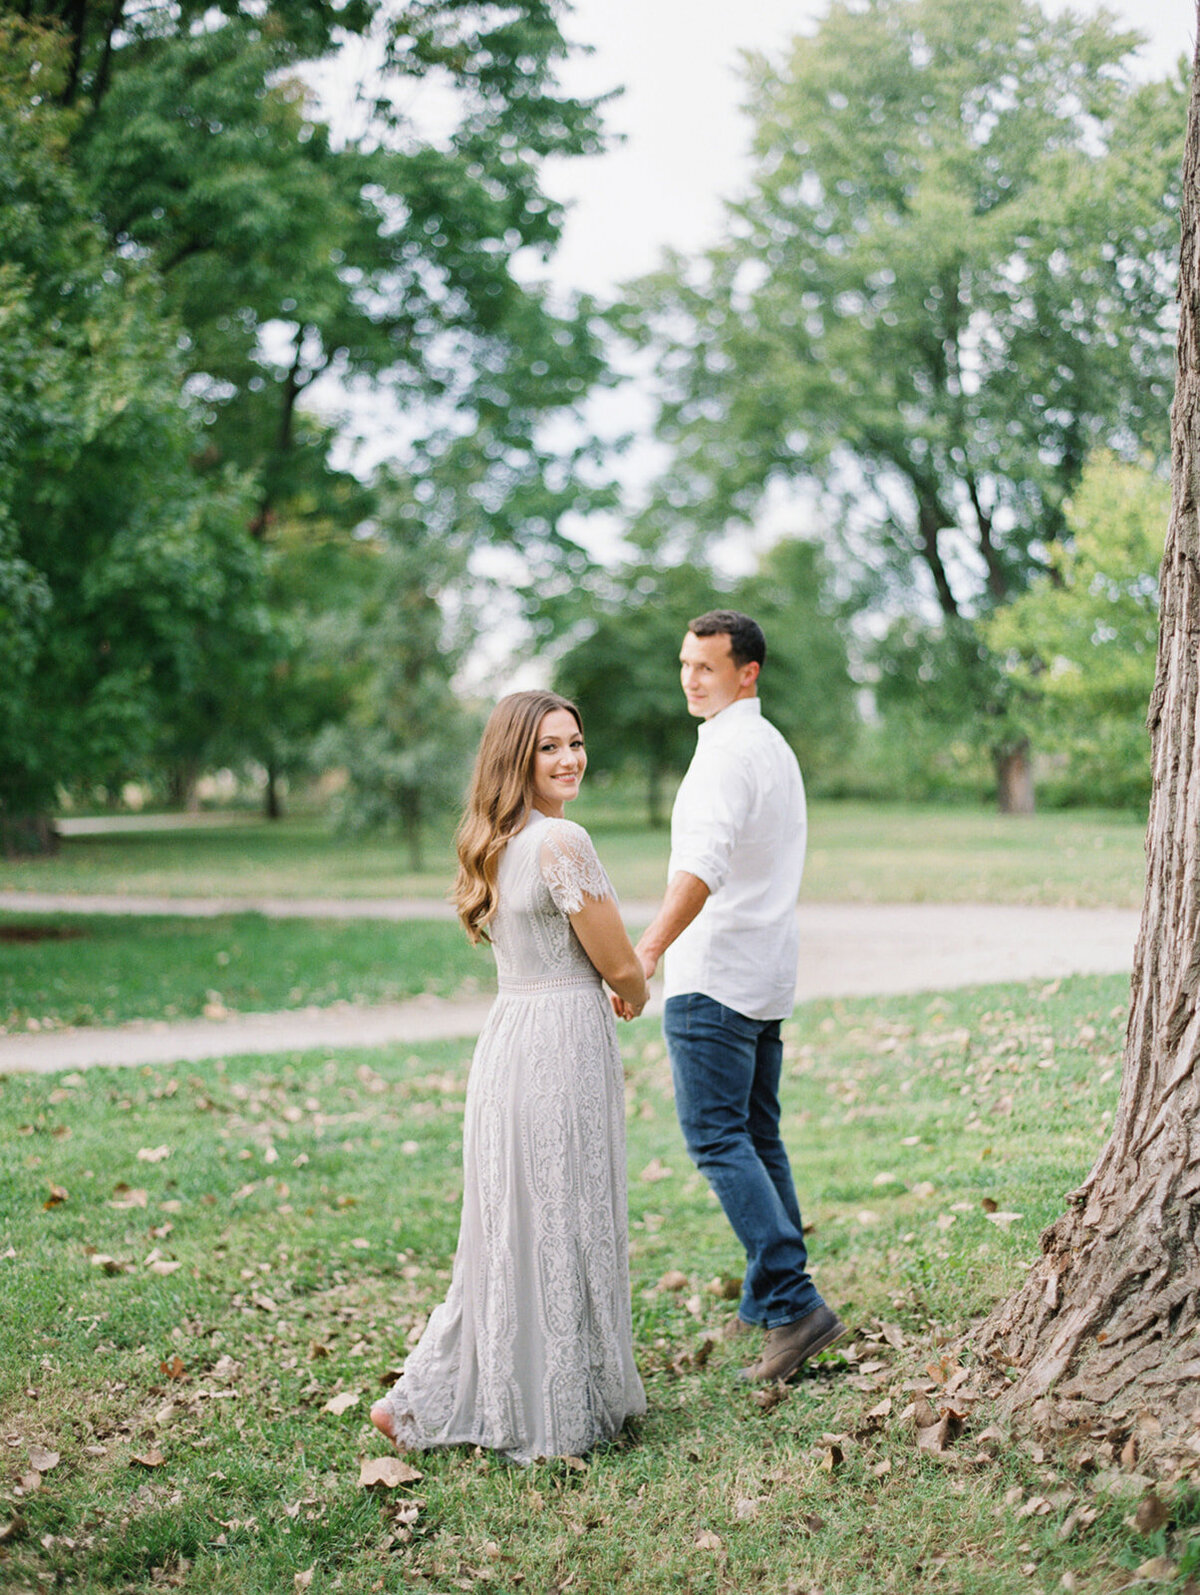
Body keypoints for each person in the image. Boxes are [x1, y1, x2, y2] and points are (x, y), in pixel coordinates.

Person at [371, 690, 648, 1463]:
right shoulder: (562, 840)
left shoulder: (491, 838)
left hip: (509, 1039)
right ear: (516, 758)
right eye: (549, 747)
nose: (569, 759)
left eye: (576, 742)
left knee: (511, 1227)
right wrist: (636, 989)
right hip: (559, 1040)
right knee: (559, 1217)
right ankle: (550, 1415)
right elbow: (619, 961)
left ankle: (425, 1395)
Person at [628, 610, 846, 1384]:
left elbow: (704, 864)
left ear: (747, 671)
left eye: (707, 666)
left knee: (718, 1138)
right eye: (685, 663)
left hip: (714, 974)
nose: (690, 677)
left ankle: (793, 1301)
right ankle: (769, 1301)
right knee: (757, 1134)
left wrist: (648, 947)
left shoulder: (728, 753)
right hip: (761, 974)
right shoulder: (770, 745)